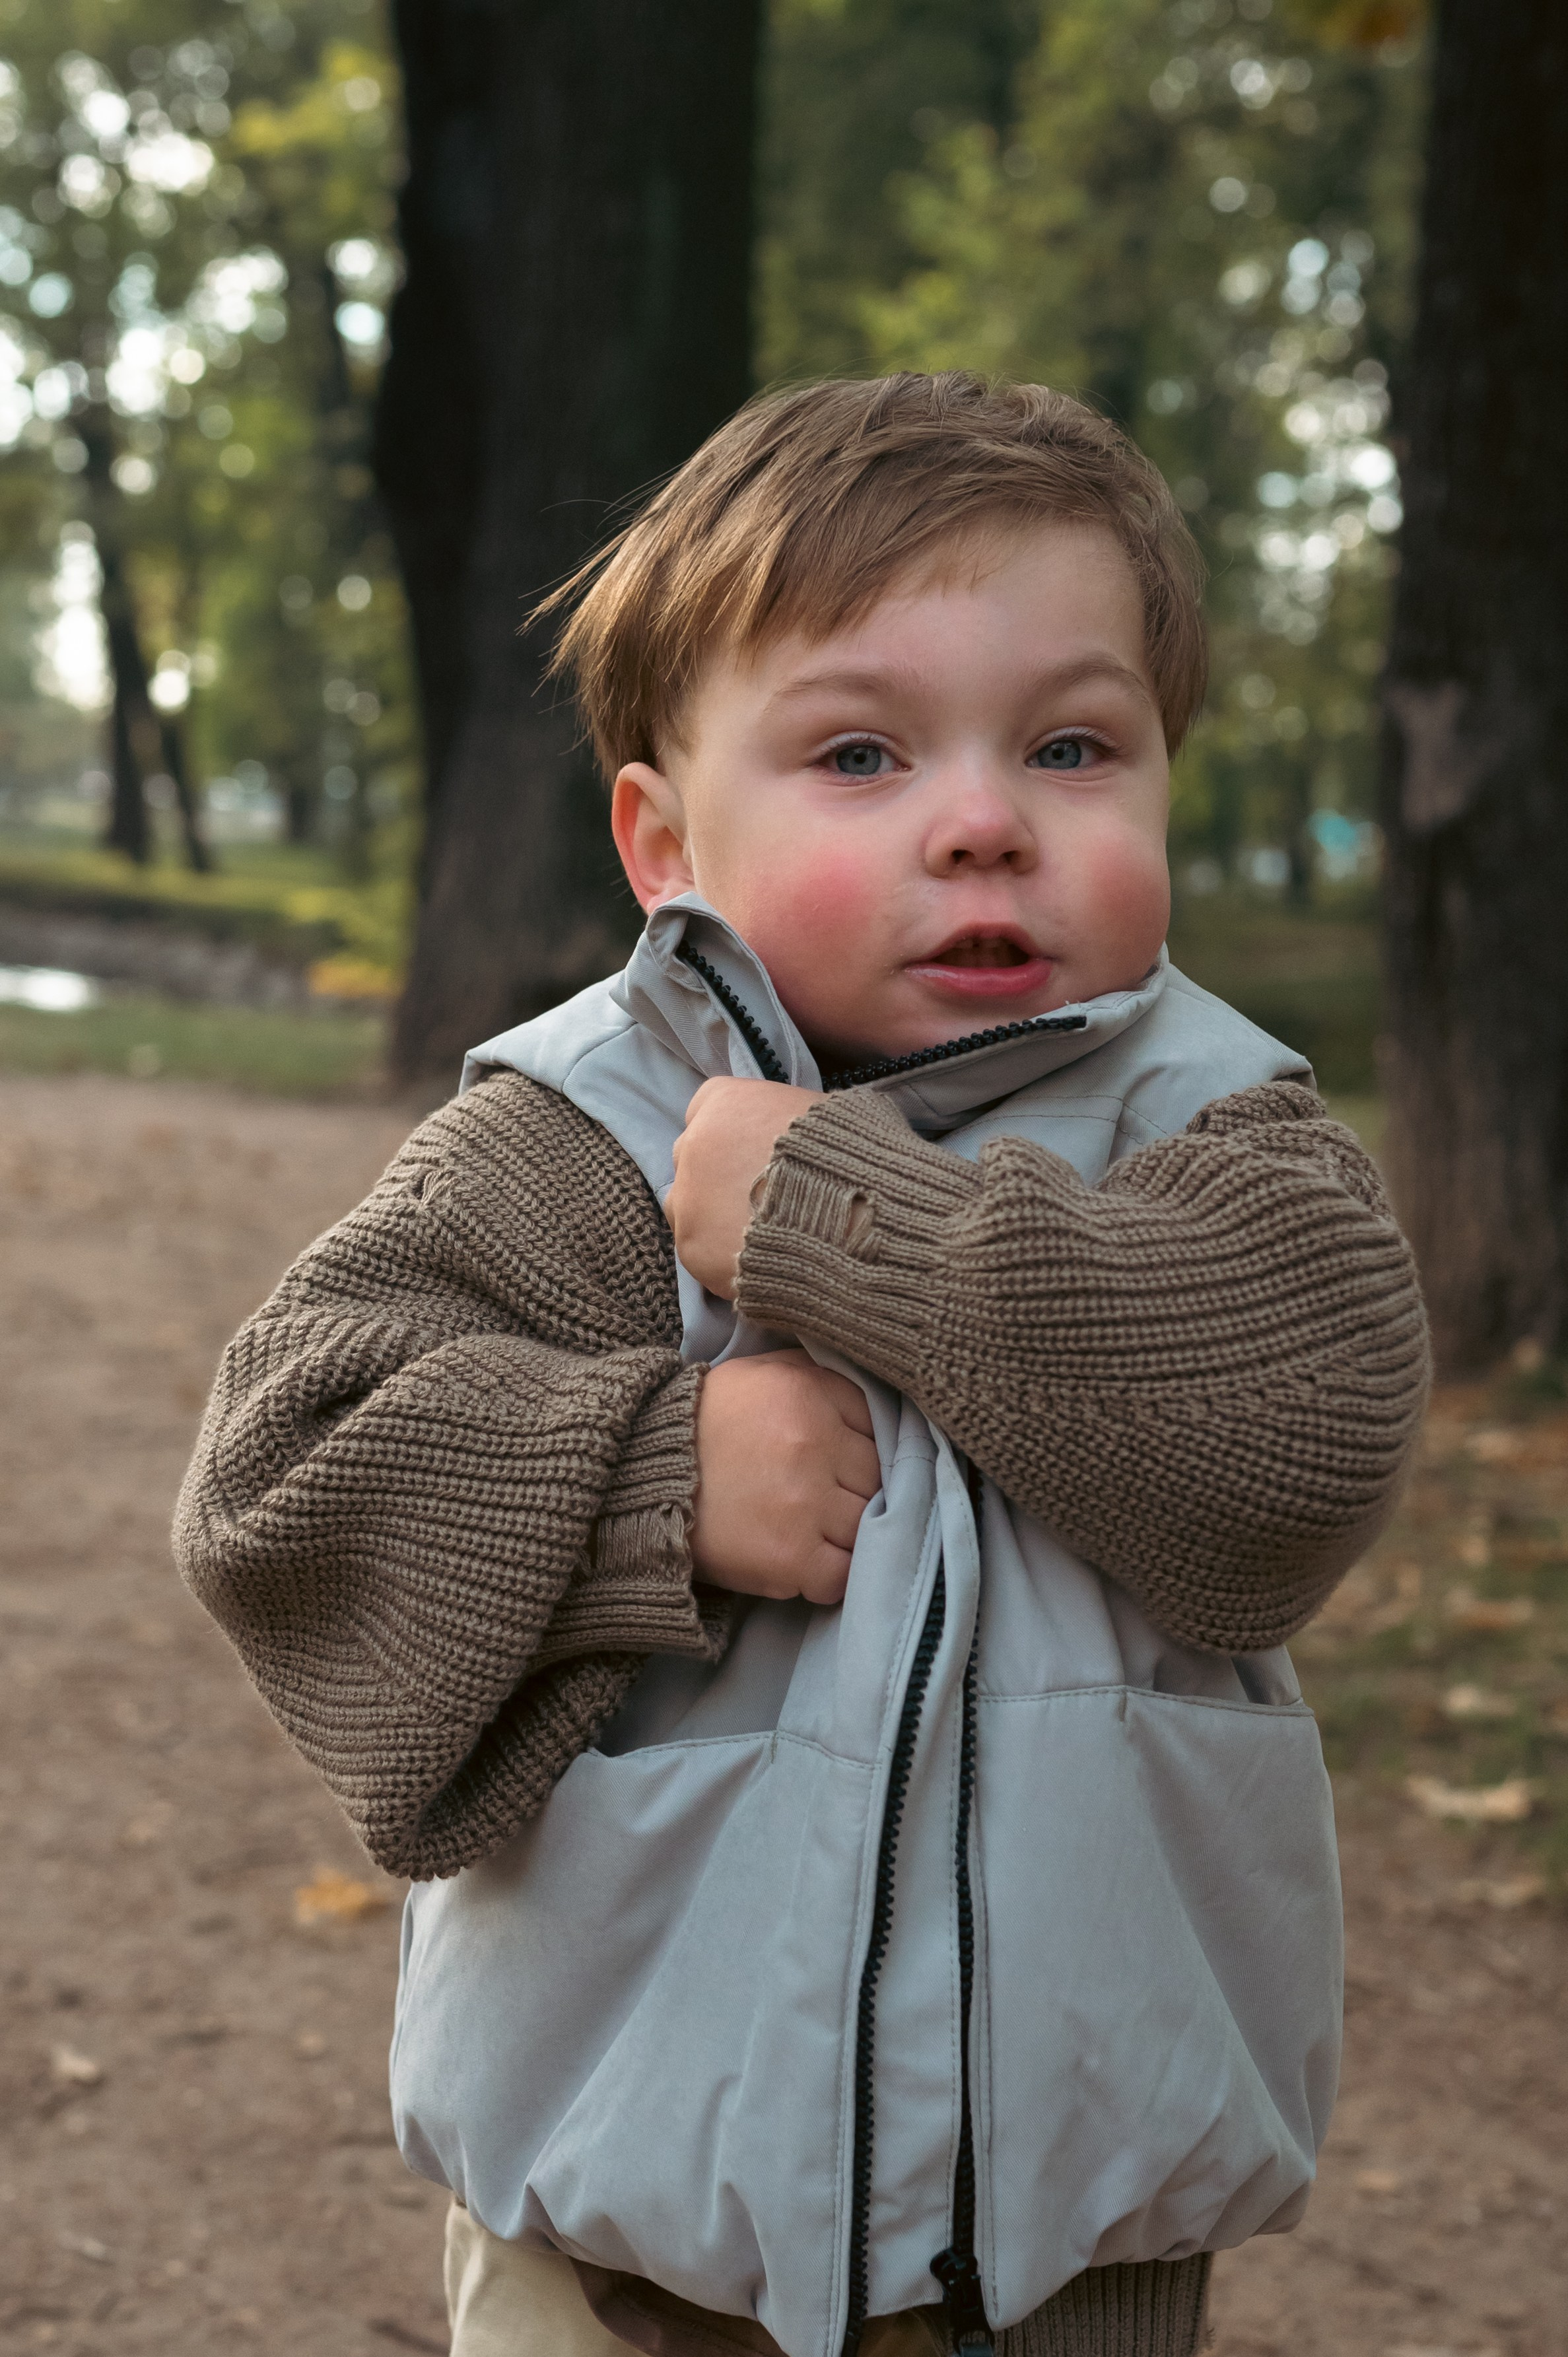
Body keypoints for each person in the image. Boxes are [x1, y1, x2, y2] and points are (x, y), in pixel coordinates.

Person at [174, 373, 1429, 2357]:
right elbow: (281, 1483)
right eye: (861, 752)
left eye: (1075, 746)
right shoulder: (585, 1141)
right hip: (621, 2260)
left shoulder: (1216, 1134)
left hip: (1074, 2271)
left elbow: (1301, 1443)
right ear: (666, 844)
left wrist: (847, 1225)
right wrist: (655, 1477)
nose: (987, 821)